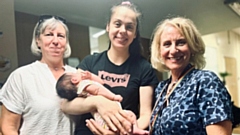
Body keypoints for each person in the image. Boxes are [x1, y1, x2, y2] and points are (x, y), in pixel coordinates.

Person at [60, 1, 159, 135]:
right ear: (108, 26)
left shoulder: (144, 68)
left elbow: (146, 115)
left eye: (129, 27)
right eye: (117, 24)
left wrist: (123, 132)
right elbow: (66, 105)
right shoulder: (90, 62)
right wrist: (97, 102)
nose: (122, 31)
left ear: (135, 33)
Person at [149, 16, 233, 135]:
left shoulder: (206, 81)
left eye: (181, 42)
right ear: (159, 50)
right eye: (167, 44)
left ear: (193, 47)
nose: (173, 50)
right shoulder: (161, 89)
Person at [0, 15, 76, 135]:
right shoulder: (21, 76)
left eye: (60, 36)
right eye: (49, 34)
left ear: (66, 42)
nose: (55, 41)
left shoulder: (76, 76)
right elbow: (8, 127)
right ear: (38, 40)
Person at [56, 69, 123, 129]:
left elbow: (101, 82)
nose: (79, 72)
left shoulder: (80, 90)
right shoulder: (84, 86)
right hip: (104, 113)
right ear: (74, 80)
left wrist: (91, 77)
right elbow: (98, 90)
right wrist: (113, 97)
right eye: (75, 74)